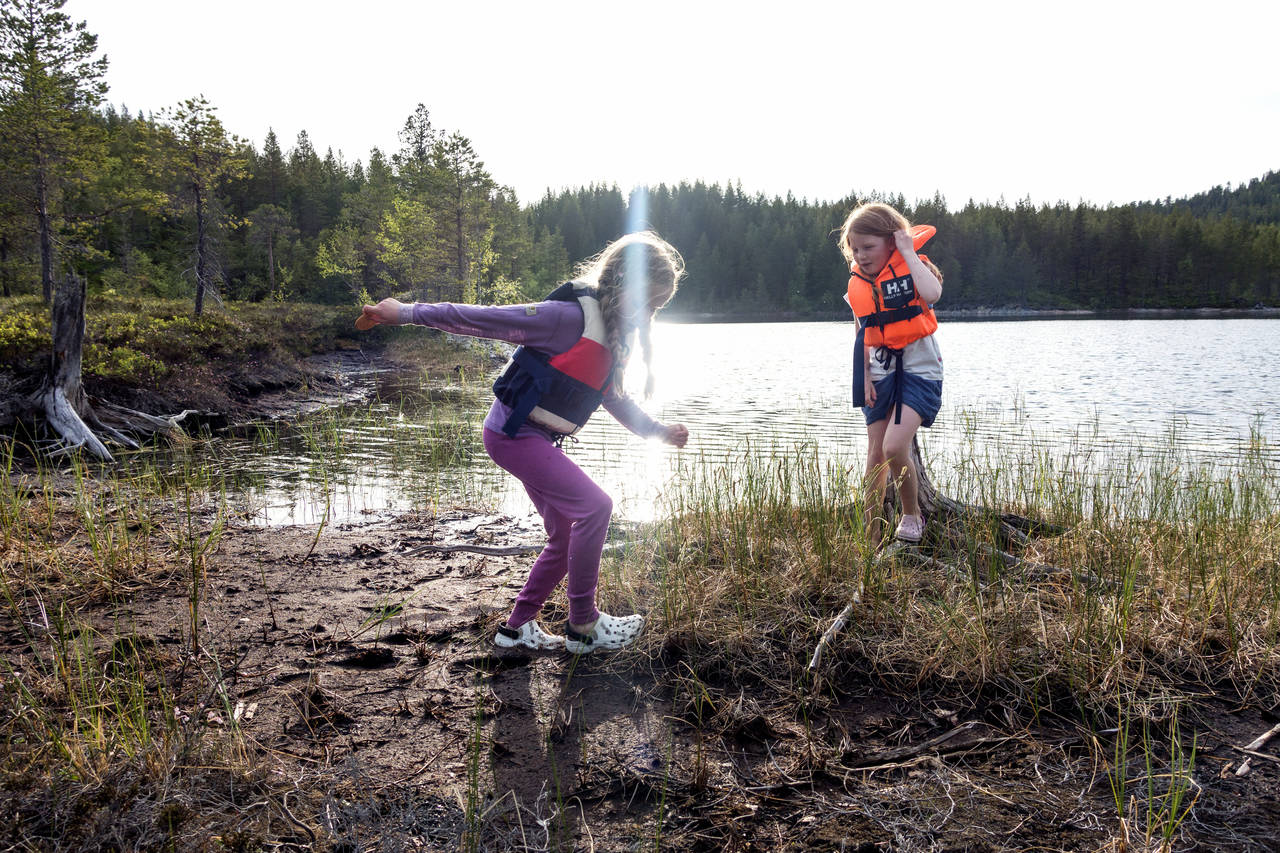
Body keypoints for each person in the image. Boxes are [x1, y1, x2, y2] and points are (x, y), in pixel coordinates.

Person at [357, 231, 689, 654]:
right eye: (648, 301)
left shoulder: (612, 335)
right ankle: (584, 625)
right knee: (595, 507)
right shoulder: (565, 318)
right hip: (514, 435)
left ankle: (515, 630)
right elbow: (482, 318)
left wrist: (657, 431)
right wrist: (404, 312)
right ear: (624, 283)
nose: (648, 314)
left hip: (533, 439)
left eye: (658, 308)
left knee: (564, 534)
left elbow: (613, 399)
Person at [837, 203, 944, 547]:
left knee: (895, 445)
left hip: (919, 371)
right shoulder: (858, 285)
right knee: (875, 456)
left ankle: (911, 515)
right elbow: (861, 332)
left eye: (869, 246)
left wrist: (908, 251)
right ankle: (871, 535)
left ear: (892, 241)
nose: (861, 255)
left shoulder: (915, 267)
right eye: (855, 248)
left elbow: (932, 294)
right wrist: (864, 375)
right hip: (879, 370)